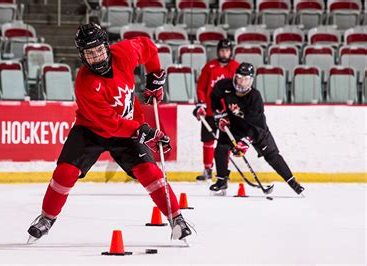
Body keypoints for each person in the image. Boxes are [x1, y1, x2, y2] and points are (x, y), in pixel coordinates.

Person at [27, 23, 192, 243]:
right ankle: (47, 218)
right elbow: (111, 124)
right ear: (82, 56)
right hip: (91, 130)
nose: (96, 57)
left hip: (129, 127)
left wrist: (155, 74)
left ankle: (177, 219)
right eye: (90, 53)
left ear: (107, 46)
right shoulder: (85, 84)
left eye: (99, 50)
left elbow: (148, 46)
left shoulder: (123, 53)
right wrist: (144, 131)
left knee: (151, 172)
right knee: (65, 173)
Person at [209, 62, 305, 195]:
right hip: (235, 127)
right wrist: (220, 114)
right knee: (221, 148)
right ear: (235, 77)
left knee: (272, 156)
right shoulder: (225, 86)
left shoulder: (255, 97)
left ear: (251, 80)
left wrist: (245, 142)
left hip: (257, 131)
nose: (242, 82)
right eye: (240, 78)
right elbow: (214, 96)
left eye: (246, 79)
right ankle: (221, 181)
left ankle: (293, 183)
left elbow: (256, 125)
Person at [193, 39, 239, 181]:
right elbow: (201, 87)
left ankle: (223, 171)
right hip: (210, 112)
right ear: (218, 51)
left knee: (225, 143)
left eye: (227, 50)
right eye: (222, 50)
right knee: (208, 141)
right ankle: (207, 169)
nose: (224, 53)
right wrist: (201, 103)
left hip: (228, 113)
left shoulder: (235, 67)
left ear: (230, 52)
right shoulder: (209, 66)